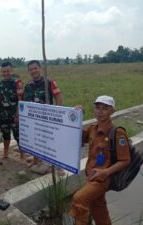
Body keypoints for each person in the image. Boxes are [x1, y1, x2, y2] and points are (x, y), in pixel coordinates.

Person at [70, 96, 131, 225]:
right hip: (91, 175)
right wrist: (76, 116)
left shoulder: (117, 133)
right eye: (98, 107)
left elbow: (125, 160)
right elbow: (79, 138)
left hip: (103, 178)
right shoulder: (93, 129)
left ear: (112, 111)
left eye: (105, 108)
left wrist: (106, 172)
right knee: (98, 207)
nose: (100, 111)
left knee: (79, 198)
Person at [24, 60, 64, 175]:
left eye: (35, 68)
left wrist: (57, 114)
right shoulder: (28, 86)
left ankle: (59, 166)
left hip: (48, 119)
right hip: (34, 120)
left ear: (40, 68)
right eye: (31, 69)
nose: (33, 71)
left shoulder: (49, 82)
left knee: (52, 142)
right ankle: (36, 160)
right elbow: (26, 104)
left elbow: (58, 98)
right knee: (35, 140)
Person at [0, 62, 24, 160]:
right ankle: (5, 153)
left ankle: (22, 155)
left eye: (8, 71)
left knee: (18, 136)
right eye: (4, 71)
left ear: (11, 71)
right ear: (1, 72)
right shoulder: (1, 84)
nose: (6, 73)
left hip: (14, 115)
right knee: (5, 135)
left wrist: (18, 114)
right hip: (3, 115)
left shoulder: (17, 83)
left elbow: (20, 100)